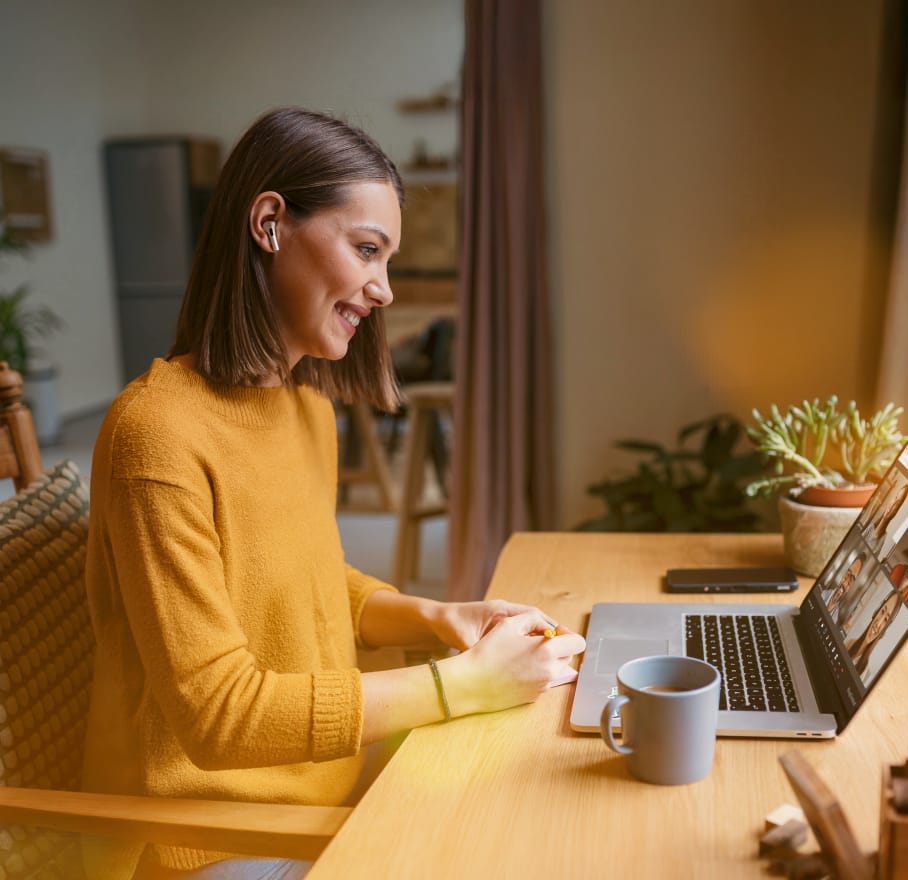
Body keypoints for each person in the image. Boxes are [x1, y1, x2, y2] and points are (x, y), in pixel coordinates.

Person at [81, 107, 586, 880]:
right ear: (271, 223)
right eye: (366, 251)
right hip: (205, 835)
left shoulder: (307, 410)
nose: (381, 288)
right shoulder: (156, 434)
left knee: (538, 819)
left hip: (325, 782)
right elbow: (220, 715)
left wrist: (437, 614)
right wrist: (460, 686)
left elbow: (309, 581)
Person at [845, 590, 903, 679]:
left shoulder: (863, 672)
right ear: (876, 612)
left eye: (885, 620)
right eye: (882, 611)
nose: (878, 623)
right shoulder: (849, 643)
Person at [824, 555, 863, 625]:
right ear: (844, 573)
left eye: (851, 580)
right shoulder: (822, 593)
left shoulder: (835, 619)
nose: (845, 583)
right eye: (848, 573)